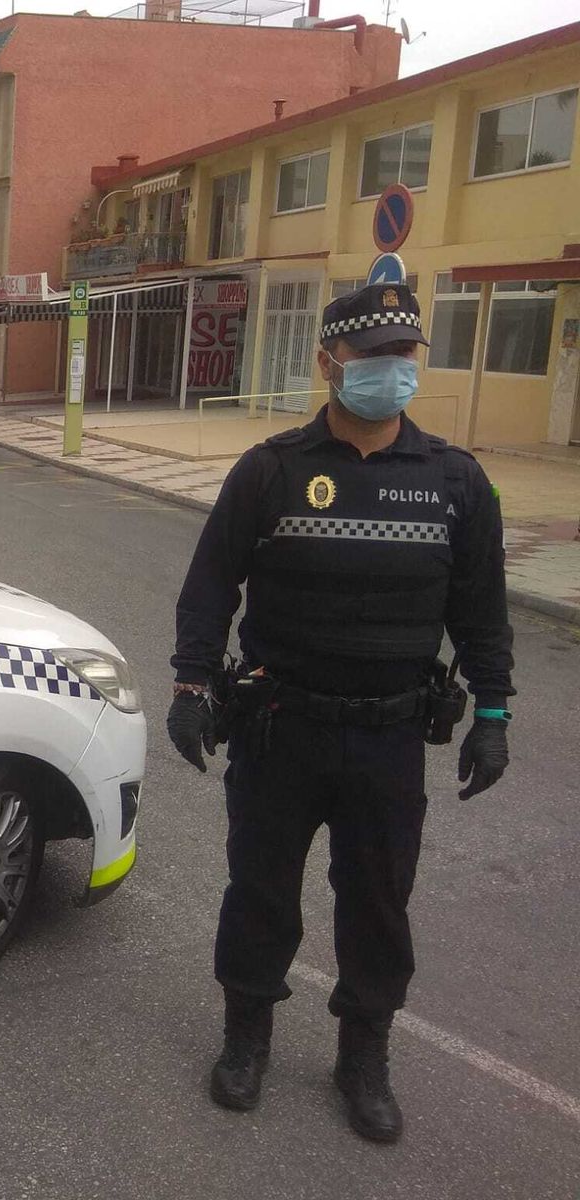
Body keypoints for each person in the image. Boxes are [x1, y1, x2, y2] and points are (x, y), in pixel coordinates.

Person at [165, 282, 513, 1143]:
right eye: (371, 359)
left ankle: (364, 1053)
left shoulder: (454, 483)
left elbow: (481, 610)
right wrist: (191, 685)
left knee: (378, 903)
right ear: (329, 363)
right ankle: (247, 1035)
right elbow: (211, 586)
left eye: (404, 357)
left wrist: (495, 713)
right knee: (260, 894)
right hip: (281, 727)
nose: (391, 373)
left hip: (391, 736)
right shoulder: (273, 468)